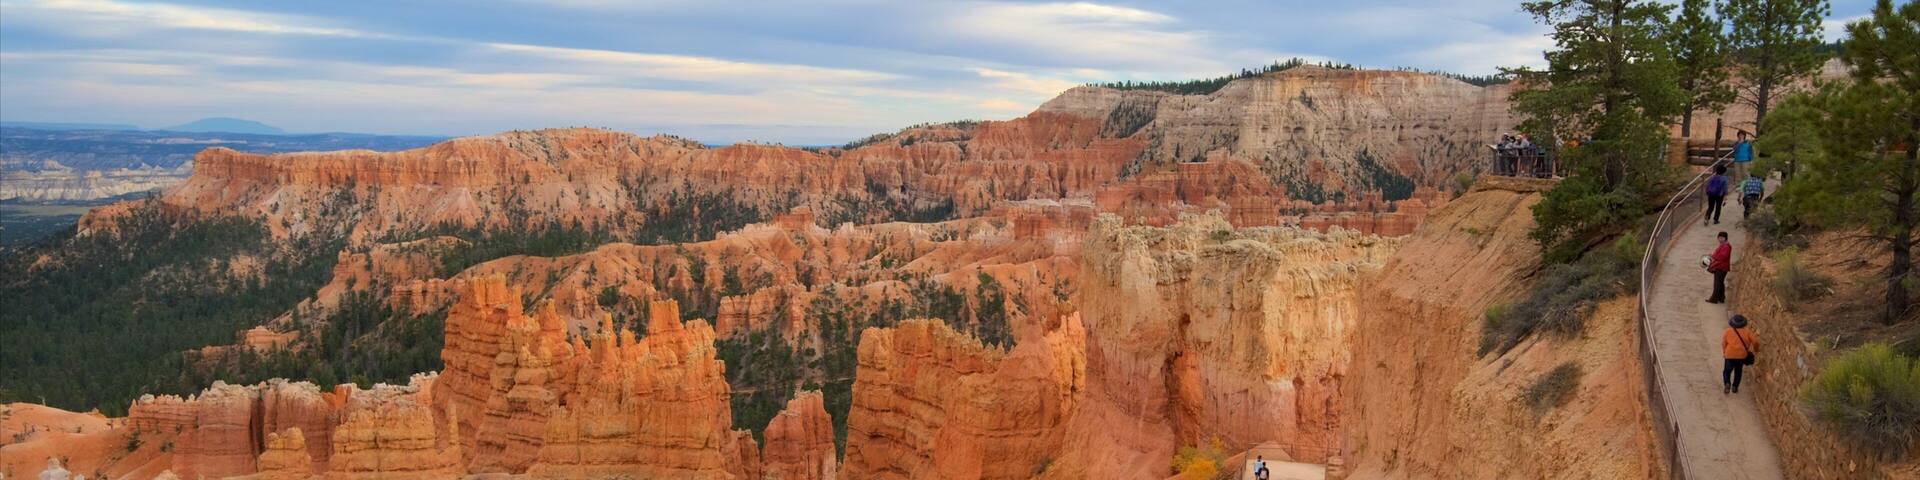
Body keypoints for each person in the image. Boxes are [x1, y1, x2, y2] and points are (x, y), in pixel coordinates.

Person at [1722, 314, 1758, 394]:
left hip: (1729, 355)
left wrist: (1724, 352)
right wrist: (1756, 349)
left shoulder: (1728, 331)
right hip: (1741, 356)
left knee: (1727, 371)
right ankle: (1735, 387)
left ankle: (1727, 383)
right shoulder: (1747, 332)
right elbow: (1755, 342)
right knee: (1738, 371)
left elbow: (1723, 343)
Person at [1707, 231, 1732, 304]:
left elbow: (1723, 256)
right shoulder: (1724, 245)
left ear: (1725, 238)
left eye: (1722, 238)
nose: (1720, 239)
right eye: (1719, 237)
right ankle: (1721, 298)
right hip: (1722, 267)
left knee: (1717, 283)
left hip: (1721, 267)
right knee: (1720, 283)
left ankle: (1714, 299)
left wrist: (1713, 256)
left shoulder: (1726, 246)